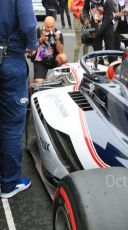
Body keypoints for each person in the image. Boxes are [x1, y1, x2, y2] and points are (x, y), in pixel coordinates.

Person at [0, 0, 37, 198]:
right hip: (9, 58)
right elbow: (29, 23)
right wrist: (33, 44)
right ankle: (9, 183)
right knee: (12, 125)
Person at [33, 16, 68, 83]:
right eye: (48, 27)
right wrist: (41, 40)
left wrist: (57, 40)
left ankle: (58, 76)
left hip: (53, 59)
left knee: (63, 57)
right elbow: (32, 49)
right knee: (39, 82)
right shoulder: (38, 31)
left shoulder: (58, 33)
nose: (50, 29)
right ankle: (38, 79)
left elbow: (61, 51)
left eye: (52, 27)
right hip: (40, 59)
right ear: (44, 25)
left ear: (55, 25)